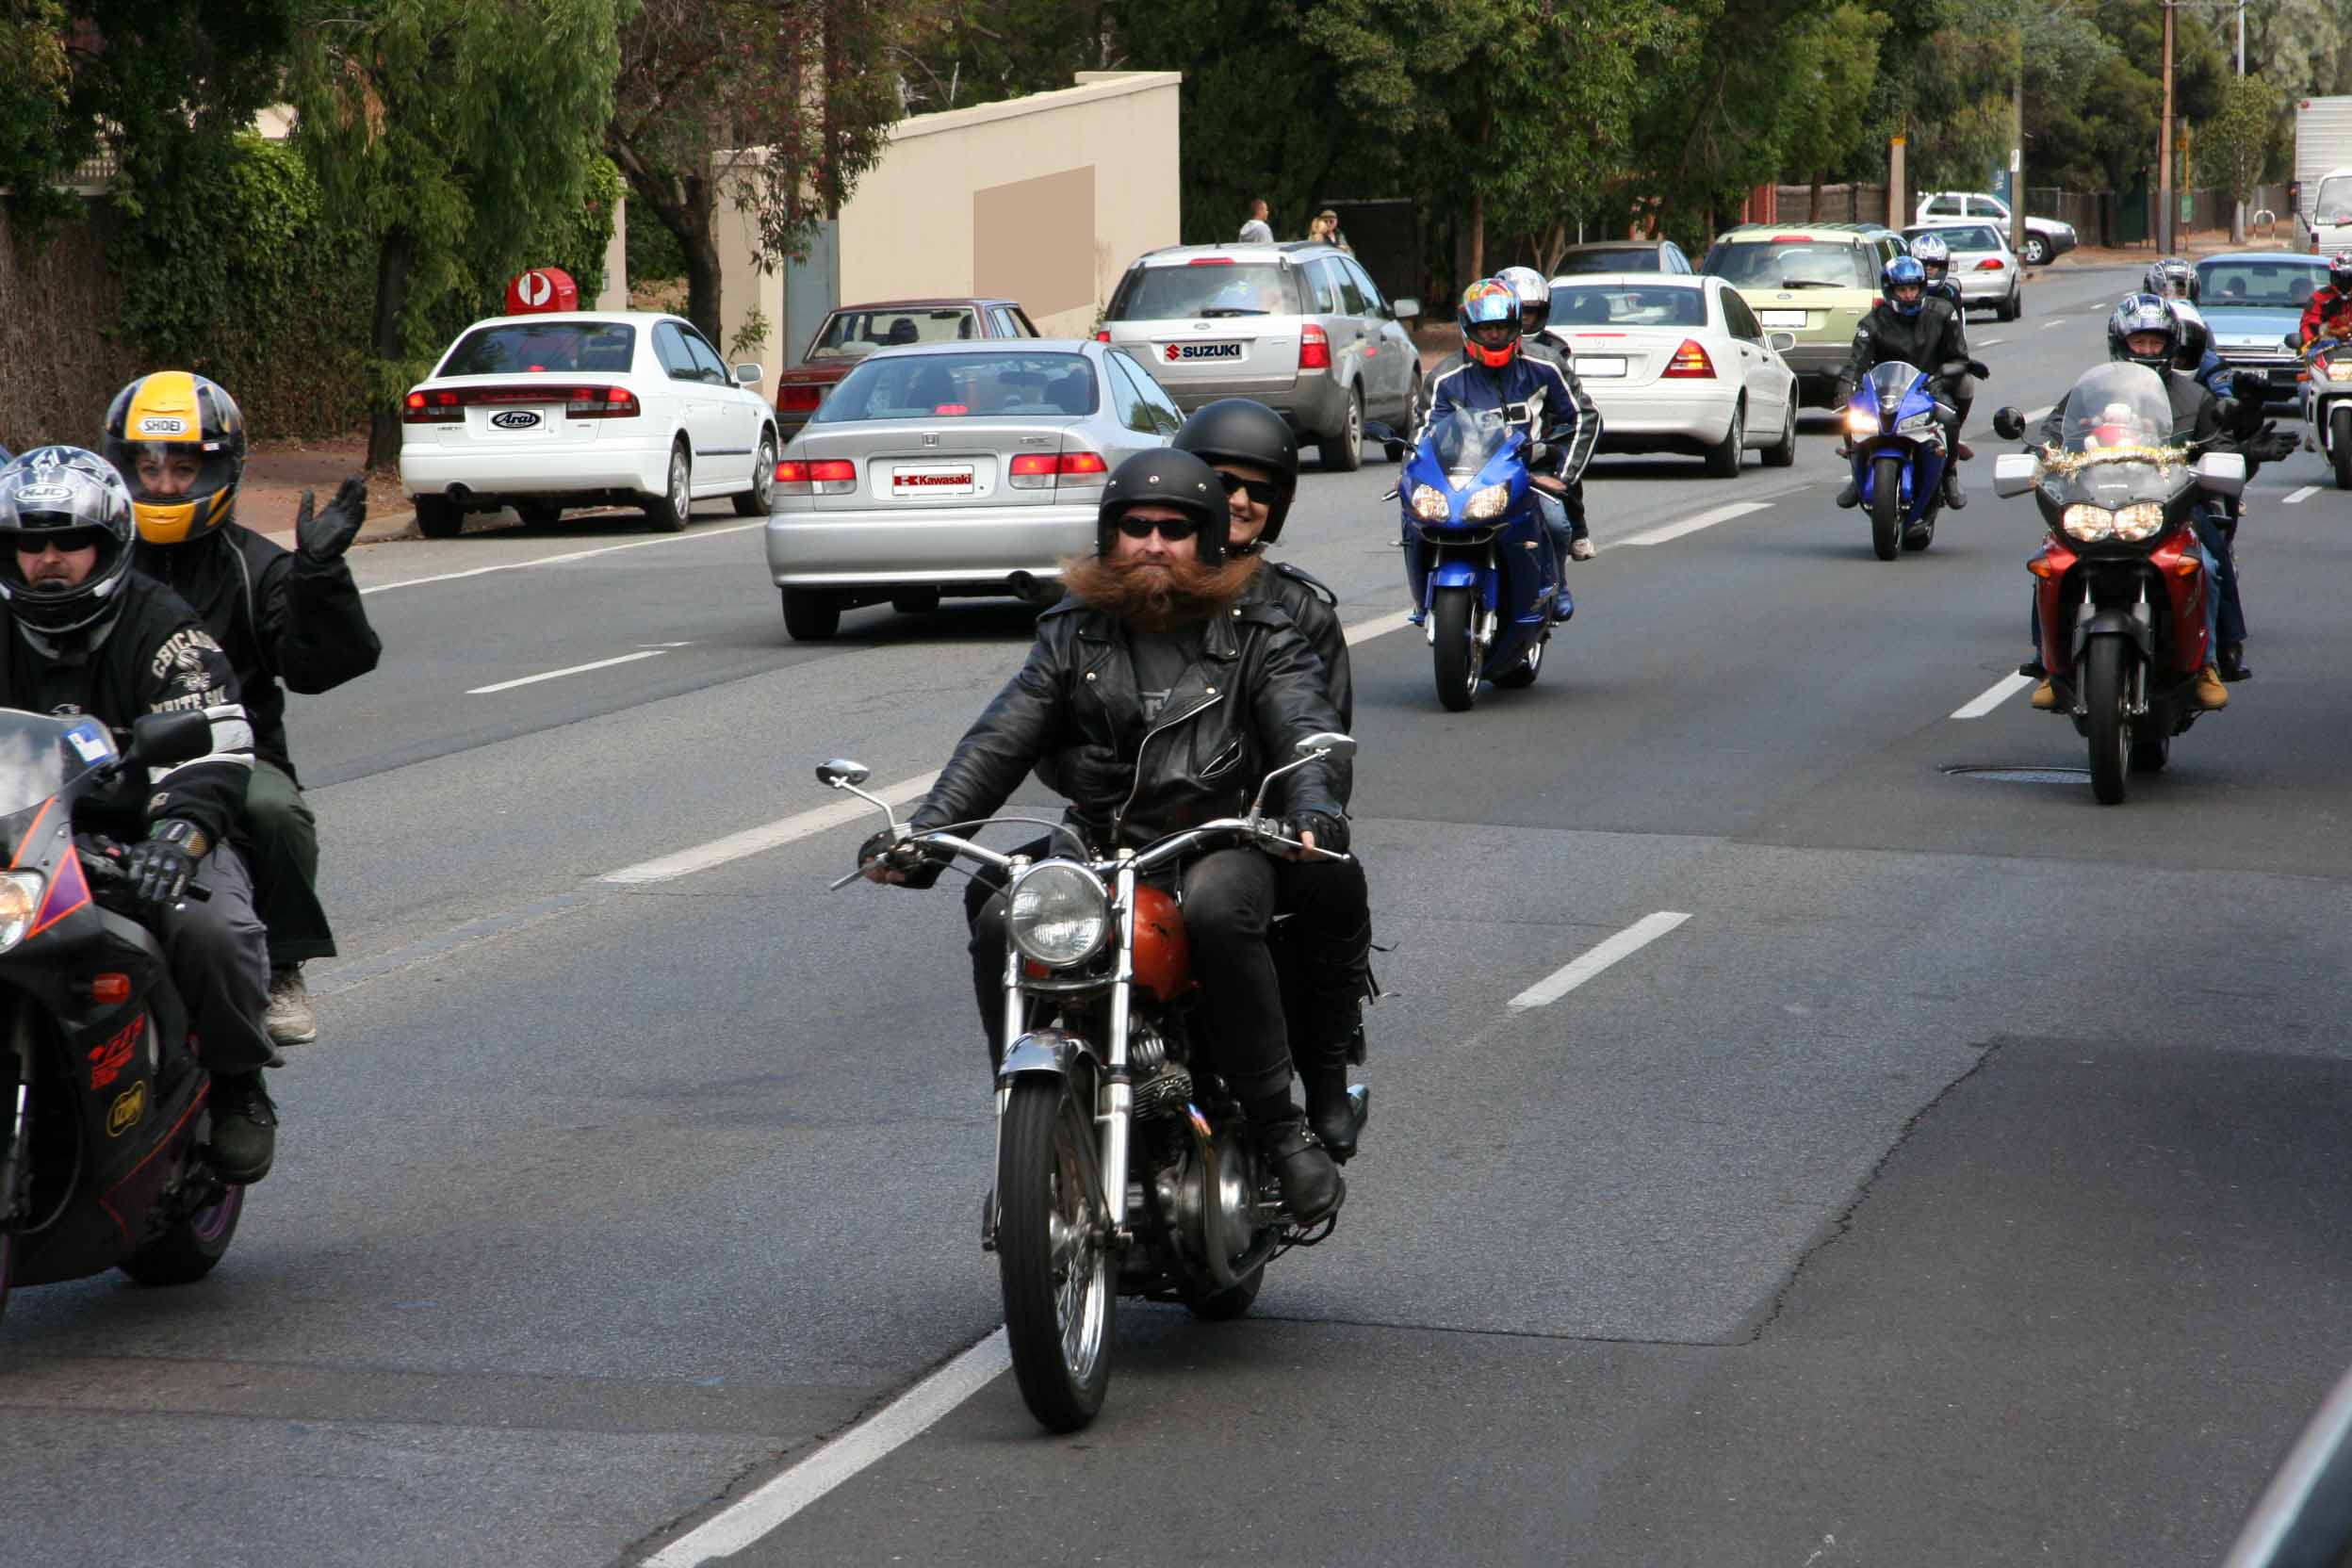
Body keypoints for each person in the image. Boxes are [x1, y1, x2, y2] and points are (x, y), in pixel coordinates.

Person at [867, 449, 1351, 1222]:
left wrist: (1313, 806)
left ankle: (1279, 1129)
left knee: (1219, 909)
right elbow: (1001, 738)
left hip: (1218, 841)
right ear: (1109, 534)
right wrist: (924, 836)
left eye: (1175, 530)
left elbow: (1305, 726)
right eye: (1136, 526)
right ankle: (1032, 1131)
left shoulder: (1261, 631)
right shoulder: (1072, 631)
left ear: (1208, 541)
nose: (1154, 544)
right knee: (1000, 912)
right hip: (1098, 846)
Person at [0, 448, 280, 1182]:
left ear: (110, 544)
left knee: (213, 929)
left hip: (136, 837)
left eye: (70, 541)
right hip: (14, 842)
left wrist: (179, 838)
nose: (48, 560)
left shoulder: (164, 626)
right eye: (30, 544)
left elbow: (215, 740)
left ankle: (238, 1084)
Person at [106, 372, 383, 1047]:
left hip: (231, 755)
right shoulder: (94, 558)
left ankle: (283, 966)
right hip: (101, 754)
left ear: (220, 468)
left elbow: (322, 667)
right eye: (149, 468)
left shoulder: (255, 567)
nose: (164, 484)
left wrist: (319, 576)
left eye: (182, 468)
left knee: (276, 811)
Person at [2020, 296, 2291, 707]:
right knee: (2050, 561)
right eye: (2139, 342)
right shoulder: (2089, 393)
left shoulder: (2194, 397)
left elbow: (2219, 445)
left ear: (2171, 346)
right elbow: (2053, 434)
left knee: (2210, 562)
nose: (2147, 351)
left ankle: (2211, 661)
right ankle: (2046, 663)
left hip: (2171, 504)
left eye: (2155, 342)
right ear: (2120, 343)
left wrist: (2240, 452)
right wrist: (2037, 453)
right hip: (2095, 500)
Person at [1411, 278, 1592, 613]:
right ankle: (1423, 599)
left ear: (1516, 327)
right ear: (1468, 328)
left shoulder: (1547, 365)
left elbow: (1584, 418)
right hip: (1469, 474)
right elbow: (1424, 432)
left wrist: (1563, 476)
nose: (1495, 335)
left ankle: (1556, 585)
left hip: (1531, 470)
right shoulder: (1445, 378)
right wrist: (1411, 473)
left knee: (1555, 523)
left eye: (1503, 327)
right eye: (1486, 328)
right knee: (1416, 521)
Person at [1834, 254, 1976, 511]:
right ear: (1890, 290)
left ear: (1922, 288)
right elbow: (1856, 362)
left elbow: (1959, 358)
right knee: (1851, 412)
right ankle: (1858, 473)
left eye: (1913, 288)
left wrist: (1942, 377)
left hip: (1930, 387)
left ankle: (1949, 472)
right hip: (1886, 390)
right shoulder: (1872, 321)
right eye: (1902, 290)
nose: (1909, 295)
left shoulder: (1943, 313)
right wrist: (1846, 386)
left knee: (1951, 411)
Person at [1494, 265, 1601, 560]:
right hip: (1487, 456)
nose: (1524, 319)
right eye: (1518, 311)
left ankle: (1576, 534)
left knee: (1556, 519)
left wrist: (1558, 466)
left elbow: (1580, 414)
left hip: (1539, 447)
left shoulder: (1553, 353)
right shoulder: (1472, 355)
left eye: (1530, 312)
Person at [2296, 251, 2352, 347]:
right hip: (2326, 348)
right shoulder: (2319, 297)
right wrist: (2328, 332)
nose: (2344, 283)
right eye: (2339, 278)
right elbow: (2308, 326)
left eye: (2349, 279)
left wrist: (2348, 329)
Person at [1909, 233, 1962, 309]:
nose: (1929, 268)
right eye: (1924, 263)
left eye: (1935, 264)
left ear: (1943, 267)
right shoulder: (1902, 292)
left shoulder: (1951, 293)